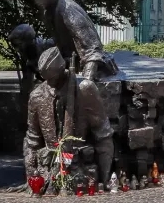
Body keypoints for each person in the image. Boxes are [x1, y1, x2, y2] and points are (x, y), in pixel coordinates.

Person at [24, 47, 114, 186]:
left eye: (53, 78)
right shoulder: (36, 96)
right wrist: (31, 178)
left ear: (61, 70)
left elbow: (103, 135)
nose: (50, 83)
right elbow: (32, 141)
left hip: (80, 166)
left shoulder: (84, 89)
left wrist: (106, 179)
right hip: (49, 169)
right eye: (47, 79)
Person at [19, 0, 117, 81]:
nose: (36, 1)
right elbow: (62, 42)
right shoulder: (49, 10)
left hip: (97, 71)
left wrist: (87, 80)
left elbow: (93, 50)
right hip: (71, 64)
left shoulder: (68, 10)